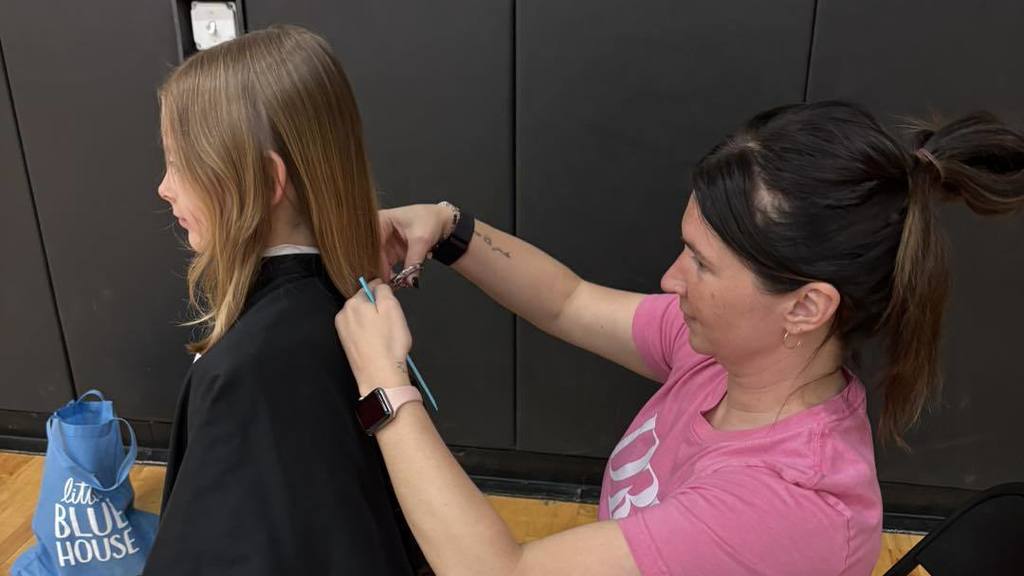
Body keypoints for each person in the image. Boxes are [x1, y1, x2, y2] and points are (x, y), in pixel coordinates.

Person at [335, 101, 1024, 575]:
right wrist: (450, 228)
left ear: (807, 306)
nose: (671, 279)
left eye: (701, 262)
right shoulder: (728, 354)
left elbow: (496, 569)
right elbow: (570, 303)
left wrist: (385, 386)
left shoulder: (787, 503)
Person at [145, 26, 426, 575]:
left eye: (180, 164)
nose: (164, 186)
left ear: (264, 179)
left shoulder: (251, 371)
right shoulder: (350, 304)